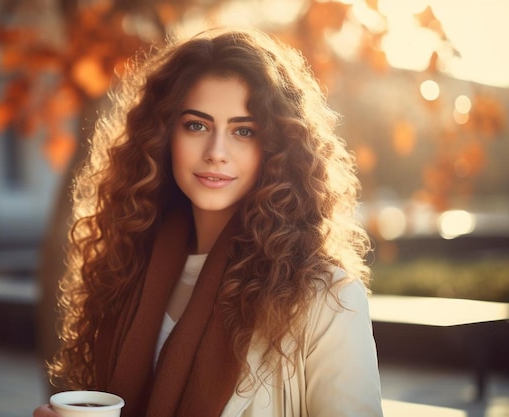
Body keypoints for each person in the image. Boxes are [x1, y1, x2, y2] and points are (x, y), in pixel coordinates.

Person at [33, 27, 383, 417]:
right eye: (196, 125)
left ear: (276, 147)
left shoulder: (325, 299)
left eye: (243, 131)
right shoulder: (125, 269)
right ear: (164, 136)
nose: (216, 152)